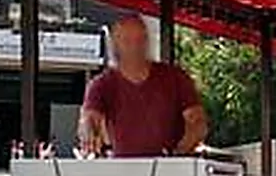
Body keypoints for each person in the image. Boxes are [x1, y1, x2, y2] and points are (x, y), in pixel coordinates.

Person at [79, 15, 207, 158]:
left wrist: (179, 152)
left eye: (140, 40)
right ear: (115, 45)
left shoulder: (176, 78)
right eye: (127, 41)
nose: (135, 47)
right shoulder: (102, 84)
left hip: (171, 164)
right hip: (124, 166)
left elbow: (197, 122)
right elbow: (89, 119)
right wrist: (88, 131)